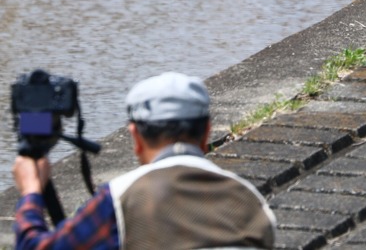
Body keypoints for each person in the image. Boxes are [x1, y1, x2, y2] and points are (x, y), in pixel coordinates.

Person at [12, 72, 276, 249]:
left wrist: (32, 194)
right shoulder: (251, 201)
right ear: (207, 131)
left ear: (135, 136)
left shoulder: (120, 200)